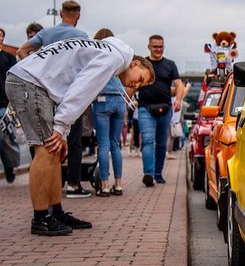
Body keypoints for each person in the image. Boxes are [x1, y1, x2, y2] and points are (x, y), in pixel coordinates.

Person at [4, 36, 154, 235]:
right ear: (135, 63)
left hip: (31, 80)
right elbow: (81, 90)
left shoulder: (106, 49)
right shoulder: (113, 59)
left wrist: (62, 132)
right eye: (140, 79)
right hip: (29, 82)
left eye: (140, 86)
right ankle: (40, 218)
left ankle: (56, 213)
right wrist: (60, 127)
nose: (136, 86)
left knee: (54, 151)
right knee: (46, 149)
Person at [17, 0, 92, 198]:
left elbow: (21, 51)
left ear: (60, 13)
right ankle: (74, 184)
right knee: (73, 141)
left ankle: (51, 186)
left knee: (48, 144)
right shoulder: (82, 36)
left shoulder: (47, 33)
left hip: (46, 92)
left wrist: (37, 69)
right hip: (70, 94)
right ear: (78, 15)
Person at [137, 34, 184, 187]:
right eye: (155, 46)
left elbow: (179, 85)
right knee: (148, 140)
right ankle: (148, 174)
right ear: (149, 47)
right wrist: (124, 103)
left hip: (165, 109)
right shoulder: (142, 64)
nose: (158, 49)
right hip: (145, 109)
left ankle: (158, 173)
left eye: (161, 46)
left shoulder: (170, 65)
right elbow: (131, 85)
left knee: (162, 144)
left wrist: (178, 100)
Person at [91, 28, 127, 196]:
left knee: (103, 144)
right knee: (115, 143)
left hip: (102, 99)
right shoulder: (118, 55)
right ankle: (118, 184)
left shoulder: (95, 54)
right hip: (120, 99)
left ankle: (104, 185)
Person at [0, 27, 21, 183]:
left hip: (3, 104)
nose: (0, 38)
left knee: (5, 138)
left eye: (1, 36)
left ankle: (9, 166)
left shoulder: (8, 58)